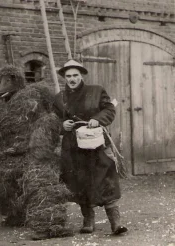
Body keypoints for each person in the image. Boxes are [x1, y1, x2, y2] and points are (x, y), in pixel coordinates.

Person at [53, 59, 128, 235]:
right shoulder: (59, 98)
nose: (72, 79)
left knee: (106, 179)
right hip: (73, 148)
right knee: (79, 183)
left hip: (96, 145)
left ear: (81, 76)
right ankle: (88, 220)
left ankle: (115, 223)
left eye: (75, 75)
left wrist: (98, 119)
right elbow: (52, 120)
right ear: (64, 77)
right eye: (69, 76)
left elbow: (109, 110)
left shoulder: (96, 91)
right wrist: (62, 126)